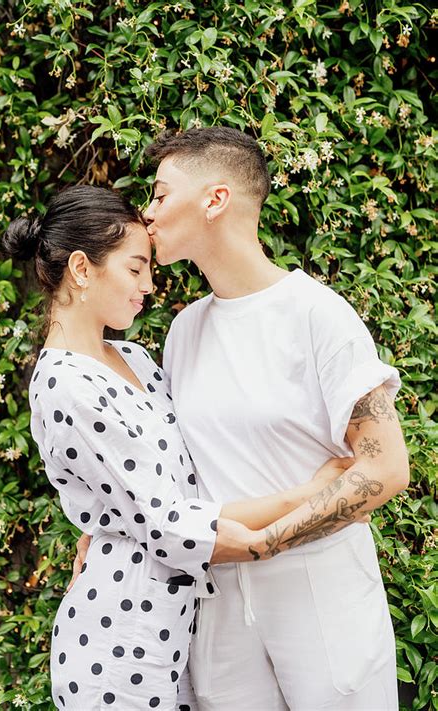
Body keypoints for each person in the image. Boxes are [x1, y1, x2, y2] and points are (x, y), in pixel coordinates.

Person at [2, 185, 358, 711]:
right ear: (81, 267)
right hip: (119, 646)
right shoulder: (64, 386)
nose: (149, 284)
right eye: (135, 268)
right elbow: (172, 524)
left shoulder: (135, 359)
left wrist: (105, 526)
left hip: (182, 633)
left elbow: (186, 477)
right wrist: (314, 492)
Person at [140, 127, 410, 711]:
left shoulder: (318, 316)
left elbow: (385, 468)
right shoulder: (184, 330)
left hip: (321, 588)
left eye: (160, 195)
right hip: (219, 602)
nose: (147, 213)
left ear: (215, 200)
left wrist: (264, 544)